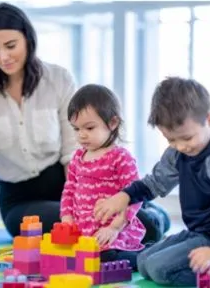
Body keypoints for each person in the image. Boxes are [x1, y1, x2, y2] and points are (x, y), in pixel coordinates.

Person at [94, 77, 210, 286]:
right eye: (171, 139)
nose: (180, 146)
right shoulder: (178, 151)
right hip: (200, 232)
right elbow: (156, 182)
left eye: (187, 138)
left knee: (159, 270)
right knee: (145, 262)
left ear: (209, 119)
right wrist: (125, 196)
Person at [0, 2, 77, 236]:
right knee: (76, 223)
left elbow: (72, 152)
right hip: (20, 202)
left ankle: (150, 219)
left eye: (11, 46)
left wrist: (78, 203)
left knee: (136, 216)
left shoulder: (58, 78)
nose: (3, 57)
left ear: (27, 39)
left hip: (65, 188)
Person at [60, 84, 145, 269]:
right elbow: (69, 190)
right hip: (85, 232)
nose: (81, 135)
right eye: (76, 129)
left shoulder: (121, 158)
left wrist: (114, 227)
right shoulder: (77, 158)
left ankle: (147, 255)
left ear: (113, 123)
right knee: (68, 258)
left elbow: (135, 196)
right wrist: (67, 218)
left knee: (107, 259)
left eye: (89, 128)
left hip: (115, 230)